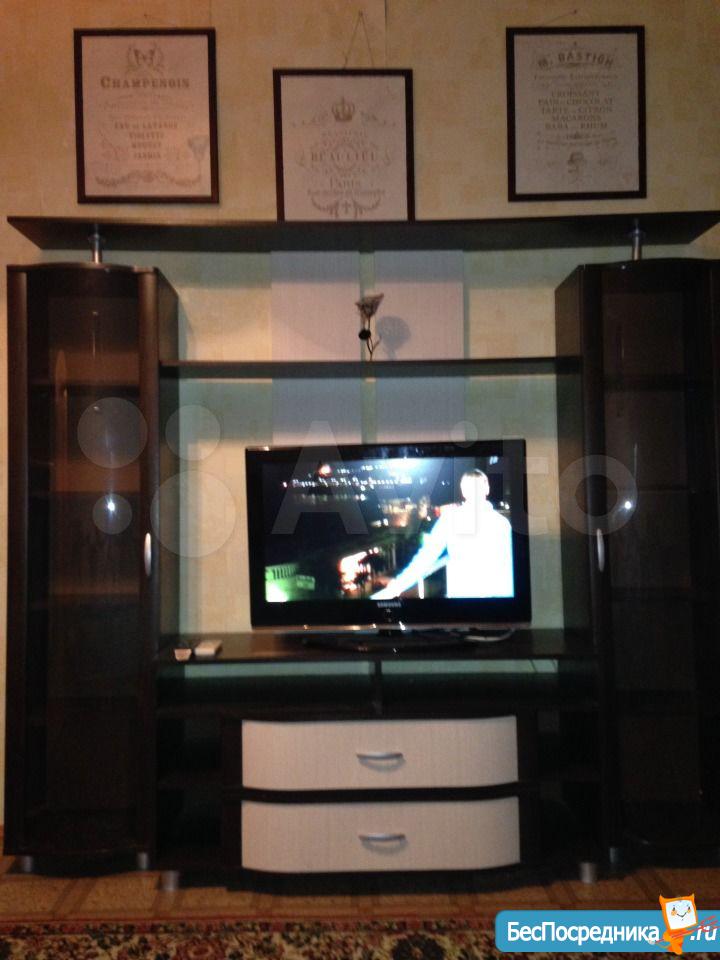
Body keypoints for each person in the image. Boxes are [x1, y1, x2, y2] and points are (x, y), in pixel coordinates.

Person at [372, 469, 514, 599]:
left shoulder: (450, 519)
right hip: (496, 603)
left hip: (463, 600)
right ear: (487, 489)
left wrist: (399, 584)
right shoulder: (502, 523)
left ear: (463, 492)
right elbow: (508, 570)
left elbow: (426, 556)